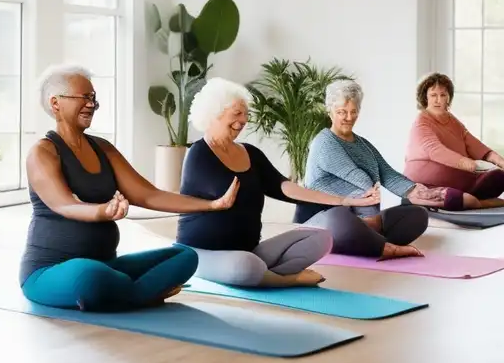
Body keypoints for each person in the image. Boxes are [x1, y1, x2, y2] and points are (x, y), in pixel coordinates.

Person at [20, 64, 237, 312]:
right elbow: (64, 203)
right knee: (89, 275)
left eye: (93, 98)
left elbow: (148, 195)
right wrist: (103, 211)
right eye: (84, 98)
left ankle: (121, 292)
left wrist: (212, 205)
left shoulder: (103, 148)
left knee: (185, 256)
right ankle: (139, 293)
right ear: (55, 103)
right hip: (51, 270)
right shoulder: (43, 152)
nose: (92, 104)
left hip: (107, 265)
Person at [177, 78, 379, 287]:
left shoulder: (250, 153)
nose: (244, 120)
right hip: (203, 253)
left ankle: (260, 275)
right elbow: (220, 191)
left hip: (249, 251)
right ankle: (287, 280)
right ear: (215, 112)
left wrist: (344, 200)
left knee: (322, 239)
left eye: (246, 114)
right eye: (237, 113)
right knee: (245, 266)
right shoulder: (198, 153)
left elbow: (283, 187)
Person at [299, 79, 447, 258]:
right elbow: (360, 180)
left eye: (353, 112)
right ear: (330, 112)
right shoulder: (324, 142)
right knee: (342, 219)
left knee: (418, 214)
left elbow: (387, 173)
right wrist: (373, 216)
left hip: (360, 218)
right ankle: (379, 245)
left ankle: (367, 241)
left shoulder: (363, 144)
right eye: (341, 112)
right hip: (323, 216)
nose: (348, 117)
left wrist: (415, 190)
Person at [403, 72, 504, 208]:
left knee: (499, 176)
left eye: (443, 95)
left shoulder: (452, 120)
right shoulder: (421, 121)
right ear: (425, 98)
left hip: (459, 180)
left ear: (448, 97)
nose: (438, 100)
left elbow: (473, 144)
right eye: (433, 95)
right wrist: (464, 162)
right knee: (459, 199)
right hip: (426, 183)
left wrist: (499, 160)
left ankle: (473, 198)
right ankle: (478, 202)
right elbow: (435, 150)